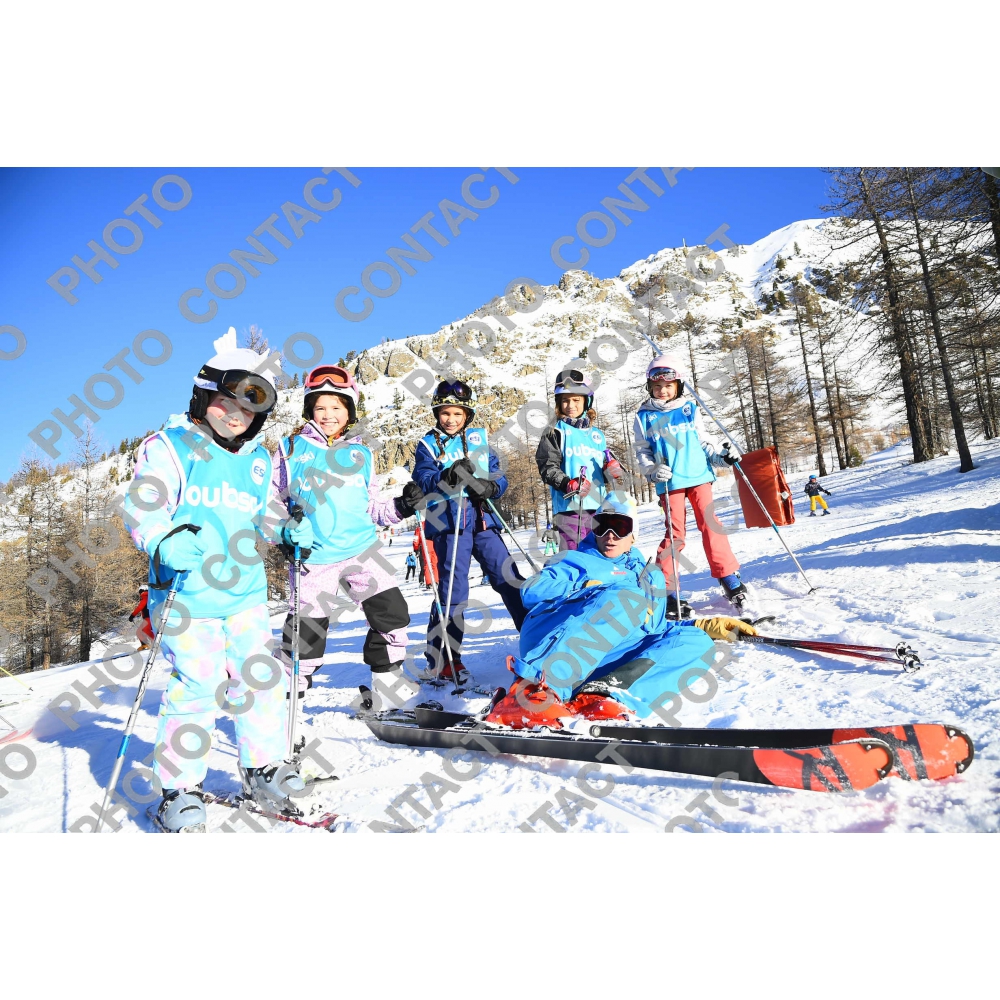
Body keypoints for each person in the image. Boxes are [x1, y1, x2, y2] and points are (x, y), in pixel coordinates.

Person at [124, 330, 306, 832]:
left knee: (261, 679)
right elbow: (143, 504)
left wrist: (287, 530)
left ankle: (263, 765)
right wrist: (161, 539)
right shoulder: (170, 447)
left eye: (249, 409)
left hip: (244, 594)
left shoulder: (257, 460)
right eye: (228, 401)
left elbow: (264, 515)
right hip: (186, 596)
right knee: (197, 686)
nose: (236, 415)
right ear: (204, 397)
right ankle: (179, 788)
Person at [486, 495, 757, 728]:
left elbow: (653, 630)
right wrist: (584, 586)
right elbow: (531, 591)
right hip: (555, 642)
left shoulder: (649, 577)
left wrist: (703, 626)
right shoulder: (576, 560)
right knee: (627, 598)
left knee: (697, 643)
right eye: (601, 526)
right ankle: (530, 693)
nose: (610, 535)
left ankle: (602, 698)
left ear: (633, 533)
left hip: (603, 655)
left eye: (620, 526)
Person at [273, 364, 424, 709]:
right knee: (305, 635)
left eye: (336, 407)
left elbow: (372, 508)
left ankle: (388, 685)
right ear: (309, 410)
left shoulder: (361, 453)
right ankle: (287, 707)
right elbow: (269, 503)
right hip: (313, 558)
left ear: (350, 411)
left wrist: (402, 505)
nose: (328, 415)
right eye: (320, 407)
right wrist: (284, 532)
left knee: (392, 613)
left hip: (361, 551)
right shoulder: (290, 449)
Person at [412, 379, 526, 680]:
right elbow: (423, 478)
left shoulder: (478, 440)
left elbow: (498, 475)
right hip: (449, 523)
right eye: (445, 413)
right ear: (437, 414)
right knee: (454, 590)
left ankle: (535, 639)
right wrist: (447, 476)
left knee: (509, 577)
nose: (450, 419)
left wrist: (490, 486)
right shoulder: (428, 444)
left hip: (482, 520)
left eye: (457, 414)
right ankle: (443, 658)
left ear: (467, 415)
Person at [632, 354, 747, 609]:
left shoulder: (689, 409)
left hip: (698, 476)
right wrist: (651, 470)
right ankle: (667, 589)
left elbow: (704, 443)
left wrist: (722, 458)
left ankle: (727, 574)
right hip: (669, 482)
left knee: (711, 524)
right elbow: (642, 450)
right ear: (650, 386)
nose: (662, 391)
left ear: (678, 385)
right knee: (675, 534)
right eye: (657, 386)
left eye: (668, 386)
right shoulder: (644, 416)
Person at [535, 368, 626, 551]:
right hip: (569, 510)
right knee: (575, 557)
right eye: (565, 400)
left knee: (598, 555)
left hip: (598, 508)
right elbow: (548, 467)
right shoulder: (555, 432)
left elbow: (602, 472)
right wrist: (568, 483)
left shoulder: (597, 435)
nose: (570, 405)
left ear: (586, 401)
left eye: (576, 400)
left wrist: (612, 471)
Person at [128, 585, 154, 651]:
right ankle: (145, 645)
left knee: (146, 630)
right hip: (148, 618)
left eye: (139, 592)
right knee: (139, 632)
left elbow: (140, 607)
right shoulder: (149, 596)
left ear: (141, 591)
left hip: (149, 617)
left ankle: (156, 643)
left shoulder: (145, 596)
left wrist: (132, 615)